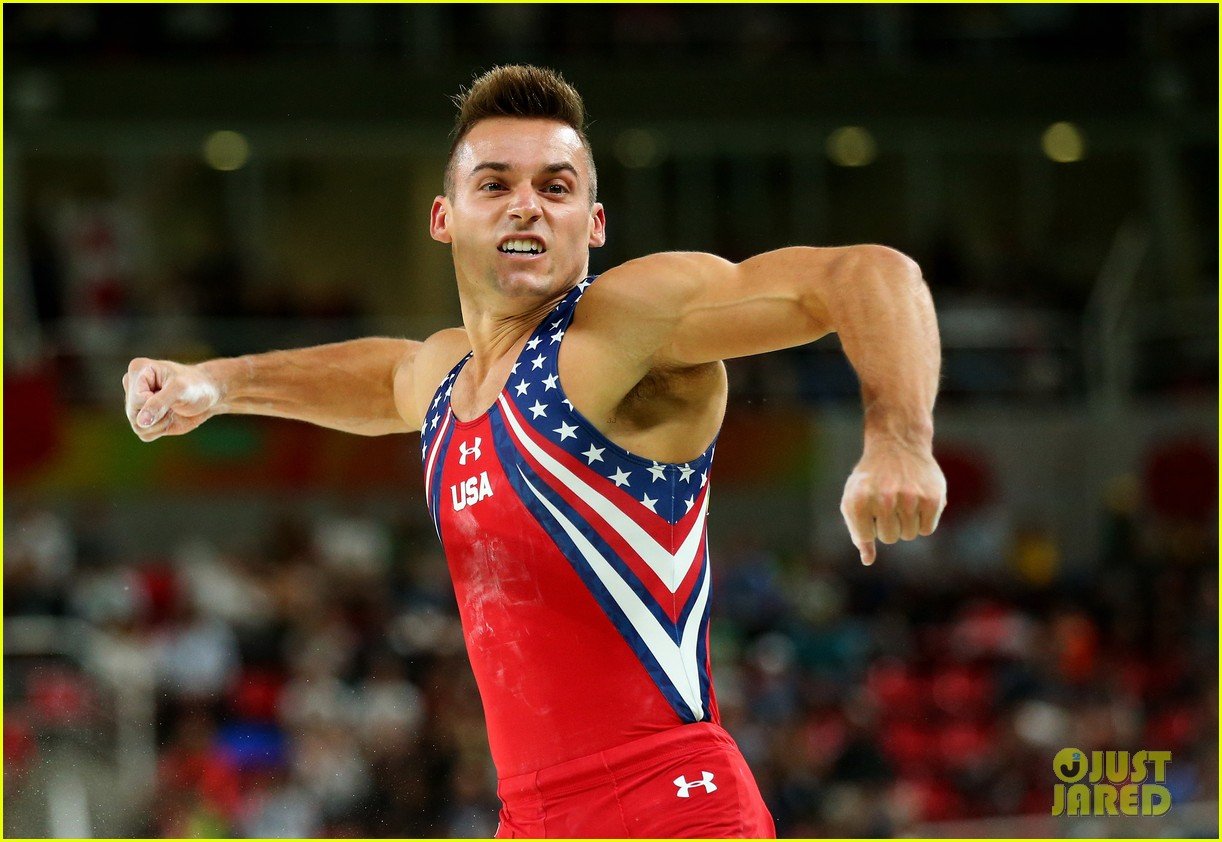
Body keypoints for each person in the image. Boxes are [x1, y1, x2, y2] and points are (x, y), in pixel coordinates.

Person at [123, 65, 947, 838]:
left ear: (593, 222)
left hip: (669, 804)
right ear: (444, 216)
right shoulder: (448, 378)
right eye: (495, 185)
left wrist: (899, 438)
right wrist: (217, 382)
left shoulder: (626, 324)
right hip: (528, 817)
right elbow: (379, 380)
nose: (527, 206)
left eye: (555, 188)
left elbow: (870, 273)